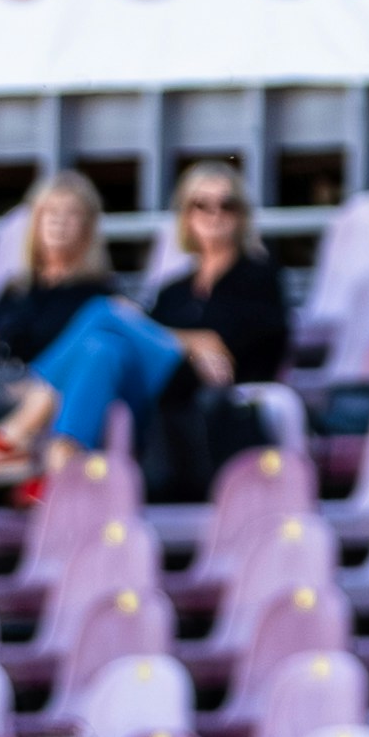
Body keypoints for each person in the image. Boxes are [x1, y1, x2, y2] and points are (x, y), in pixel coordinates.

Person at [0, 171, 214, 485]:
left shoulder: (100, 289)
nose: (59, 222)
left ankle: (31, 448)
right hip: (3, 390)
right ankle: (46, 460)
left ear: (88, 227)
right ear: (35, 222)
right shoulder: (14, 292)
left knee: (102, 345)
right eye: (50, 213)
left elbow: (137, 333)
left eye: (71, 214)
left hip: (67, 400)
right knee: (103, 323)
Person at [137, 163, 293, 499]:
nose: (215, 214)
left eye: (227, 205)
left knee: (109, 319)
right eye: (201, 205)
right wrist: (195, 342)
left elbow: (240, 345)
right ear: (186, 216)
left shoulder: (259, 277)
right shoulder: (173, 290)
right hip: (171, 399)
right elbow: (152, 340)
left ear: (242, 215)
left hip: (228, 399)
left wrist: (186, 344)